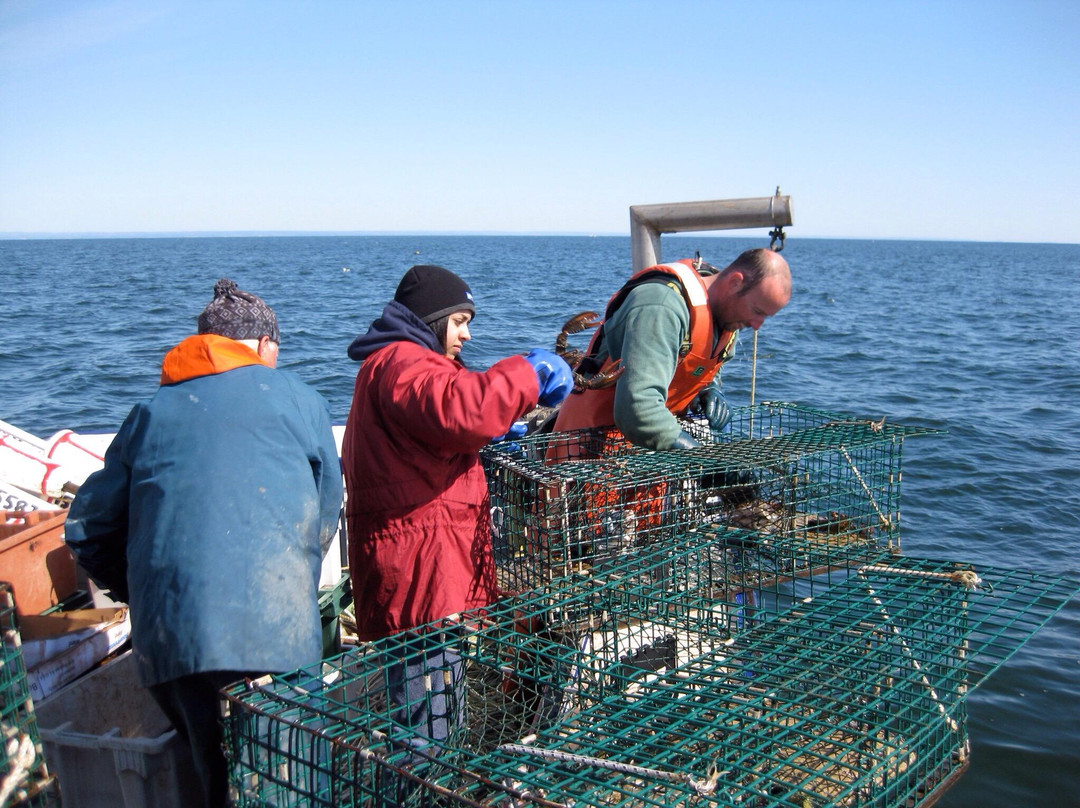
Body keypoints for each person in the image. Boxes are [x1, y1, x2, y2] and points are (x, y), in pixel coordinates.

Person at [64, 279, 343, 808]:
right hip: (275, 632)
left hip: (172, 639)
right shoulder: (300, 399)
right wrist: (291, 580)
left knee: (215, 778)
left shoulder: (148, 413)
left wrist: (144, 590)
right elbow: (326, 509)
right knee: (294, 782)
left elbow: (86, 528)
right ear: (264, 345)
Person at [341, 264, 573, 771]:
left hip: (421, 565)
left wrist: (496, 429)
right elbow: (461, 409)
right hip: (420, 573)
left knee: (436, 713)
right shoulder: (403, 361)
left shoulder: (394, 365)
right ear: (432, 318)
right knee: (426, 728)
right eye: (460, 321)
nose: (466, 334)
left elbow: (439, 429)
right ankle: (420, 794)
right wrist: (529, 372)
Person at [552, 248, 792, 449]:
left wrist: (709, 389)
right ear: (735, 282)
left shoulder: (729, 316)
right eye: (757, 311)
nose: (757, 325)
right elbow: (637, 410)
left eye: (765, 317)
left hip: (646, 453)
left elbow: (706, 364)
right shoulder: (661, 306)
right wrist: (704, 463)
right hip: (588, 449)